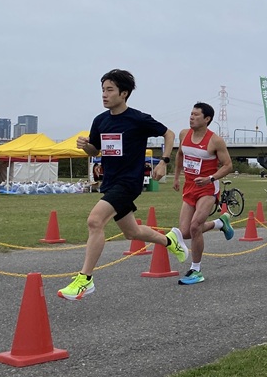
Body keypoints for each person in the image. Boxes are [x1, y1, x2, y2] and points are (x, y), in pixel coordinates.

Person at [58, 69, 188, 301]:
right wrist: (85, 145)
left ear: (124, 93)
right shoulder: (100, 120)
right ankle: (170, 240)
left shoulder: (137, 119)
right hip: (111, 181)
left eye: (110, 90)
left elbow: (168, 134)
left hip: (130, 182)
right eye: (103, 90)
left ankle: (84, 280)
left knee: (95, 221)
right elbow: (95, 150)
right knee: (132, 232)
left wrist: (164, 162)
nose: (104, 95)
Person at [172, 102, 235, 285]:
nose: (191, 117)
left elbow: (228, 165)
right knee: (185, 232)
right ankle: (219, 223)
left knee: (195, 226)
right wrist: (176, 177)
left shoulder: (215, 140)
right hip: (189, 187)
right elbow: (180, 156)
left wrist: (211, 178)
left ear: (207, 119)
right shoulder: (184, 134)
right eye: (191, 114)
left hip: (207, 189)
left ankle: (196, 270)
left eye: (196, 115)